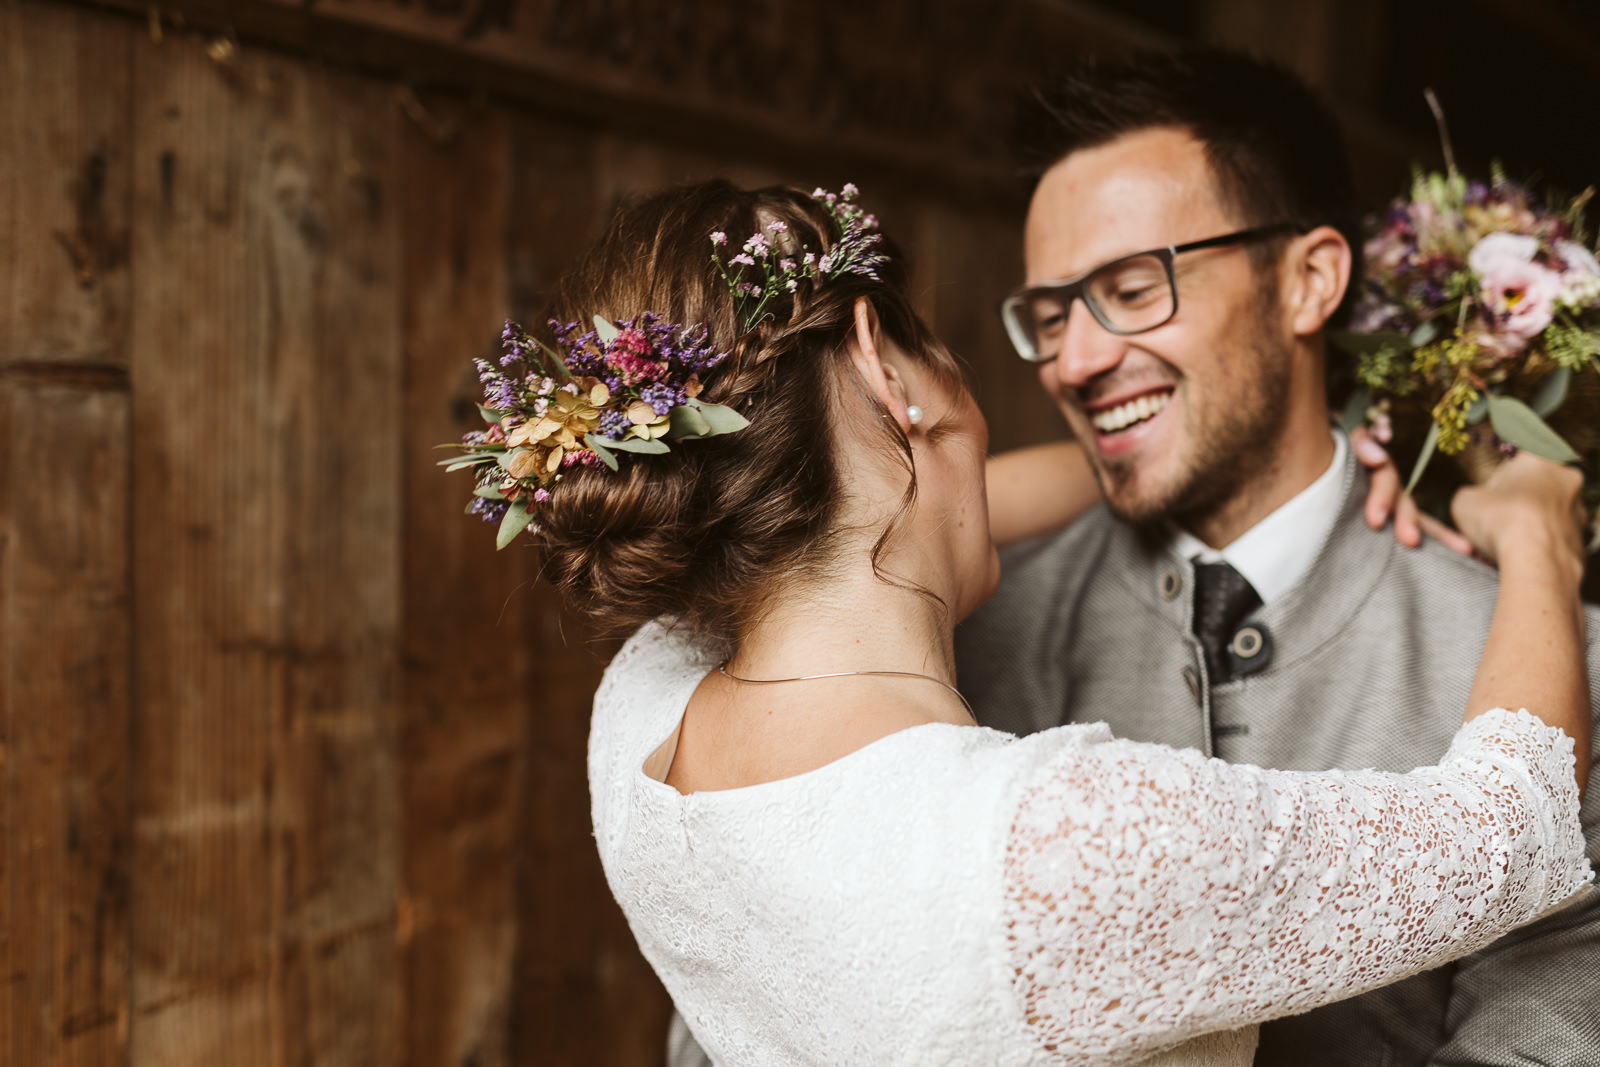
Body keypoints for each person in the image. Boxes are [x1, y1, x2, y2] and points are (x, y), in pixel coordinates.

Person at [494, 179, 1593, 1066]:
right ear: (885, 364)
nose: (1069, 359)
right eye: (1056, 317)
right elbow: (1519, 817)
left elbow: (887, 497)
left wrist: (1221, 422)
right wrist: (1540, 523)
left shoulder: (642, 702)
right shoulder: (1053, 840)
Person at [955, 47, 1600, 1066]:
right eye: (1049, 314)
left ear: (1309, 281)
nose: (1073, 363)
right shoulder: (969, 636)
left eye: (1131, 287)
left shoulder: (1554, 662)